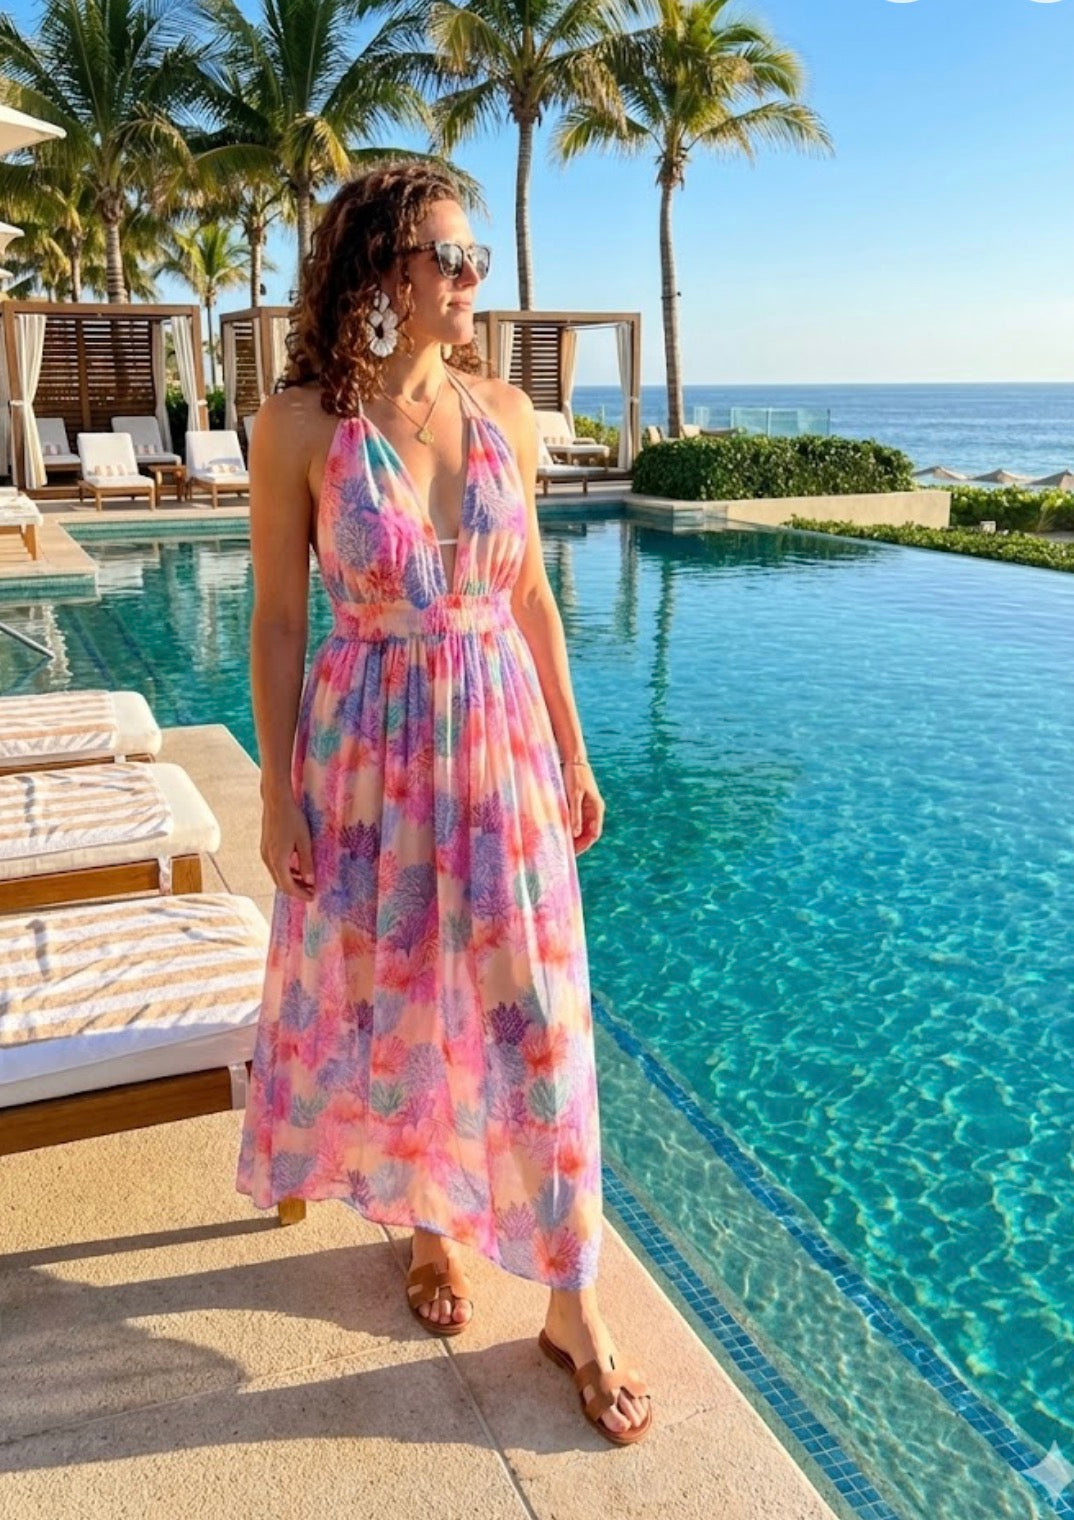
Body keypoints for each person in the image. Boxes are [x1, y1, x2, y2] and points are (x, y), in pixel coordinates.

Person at [234, 162, 652, 1444]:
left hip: (501, 752)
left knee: (538, 1020)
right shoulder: (300, 426)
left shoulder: (509, 416)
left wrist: (577, 755)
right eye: (454, 258)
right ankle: (431, 1235)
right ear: (385, 272)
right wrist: (276, 790)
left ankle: (573, 1300)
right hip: (367, 770)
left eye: (477, 259)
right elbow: (276, 618)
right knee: (408, 1010)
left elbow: (532, 602)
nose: (476, 279)